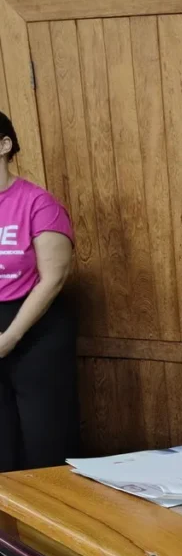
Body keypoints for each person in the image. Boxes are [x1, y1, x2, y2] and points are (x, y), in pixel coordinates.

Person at [0, 112, 78, 472]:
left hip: (34, 331)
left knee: (44, 444)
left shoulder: (39, 204)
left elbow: (53, 279)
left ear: (4, 145)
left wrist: (9, 338)